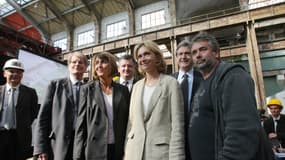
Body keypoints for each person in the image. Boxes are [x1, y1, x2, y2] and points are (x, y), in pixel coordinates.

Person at [189, 32, 261, 160]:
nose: (198, 55)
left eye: (203, 49)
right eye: (194, 52)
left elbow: (242, 130)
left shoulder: (233, 76)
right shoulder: (203, 83)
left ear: (216, 53)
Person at [124, 40, 185, 160]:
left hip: (160, 154)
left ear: (157, 57)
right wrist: (126, 153)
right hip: (134, 152)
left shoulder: (171, 83)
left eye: (146, 54)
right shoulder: (136, 87)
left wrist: (177, 157)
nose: (143, 59)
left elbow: (177, 125)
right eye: (139, 56)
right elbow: (131, 123)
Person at [73, 52, 130, 160]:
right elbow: (81, 125)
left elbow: (128, 121)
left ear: (112, 65)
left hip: (118, 149)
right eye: (96, 63)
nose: (99, 65)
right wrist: (77, 155)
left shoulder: (123, 90)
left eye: (103, 62)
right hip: (94, 149)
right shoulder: (87, 89)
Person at [33, 52, 88, 160]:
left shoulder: (89, 88)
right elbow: (43, 118)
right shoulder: (55, 85)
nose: (77, 64)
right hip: (57, 144)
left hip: (81, 143)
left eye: (81, 62)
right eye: (74, 62)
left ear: (85, 67)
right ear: (69, 66)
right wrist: (40, 148)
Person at [0, 59, 38, 160]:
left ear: (22, 75)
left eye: (18, 72)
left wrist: (23, 125)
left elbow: (33, 113)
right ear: (4, 73)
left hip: (20, 138)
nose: (15, 74)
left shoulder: (30, 93)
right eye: (11, 71)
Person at [172, 40, 202, 160]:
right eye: (180, 54)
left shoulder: (203, 79)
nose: (183, 57)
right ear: (176, 57)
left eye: (187, 53)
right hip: (174, 139)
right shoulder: (168, 80)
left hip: (198, 138)